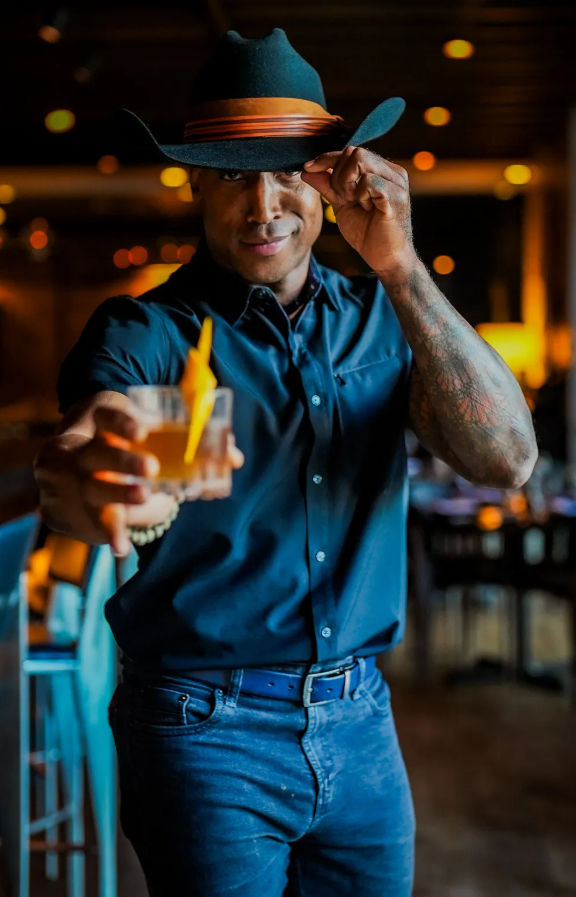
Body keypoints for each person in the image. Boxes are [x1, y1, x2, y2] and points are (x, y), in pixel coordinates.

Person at [34, 28, 538, 897]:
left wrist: (404, 267)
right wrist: (98, 474)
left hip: (363, 723)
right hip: (200, 731)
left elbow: (509, 459)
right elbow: (91, 443)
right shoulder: (143, 333)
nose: (263, 204)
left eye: (287, 171)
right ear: (195, 182)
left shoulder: (386, 319)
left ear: (331, 178)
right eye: (233, 174)